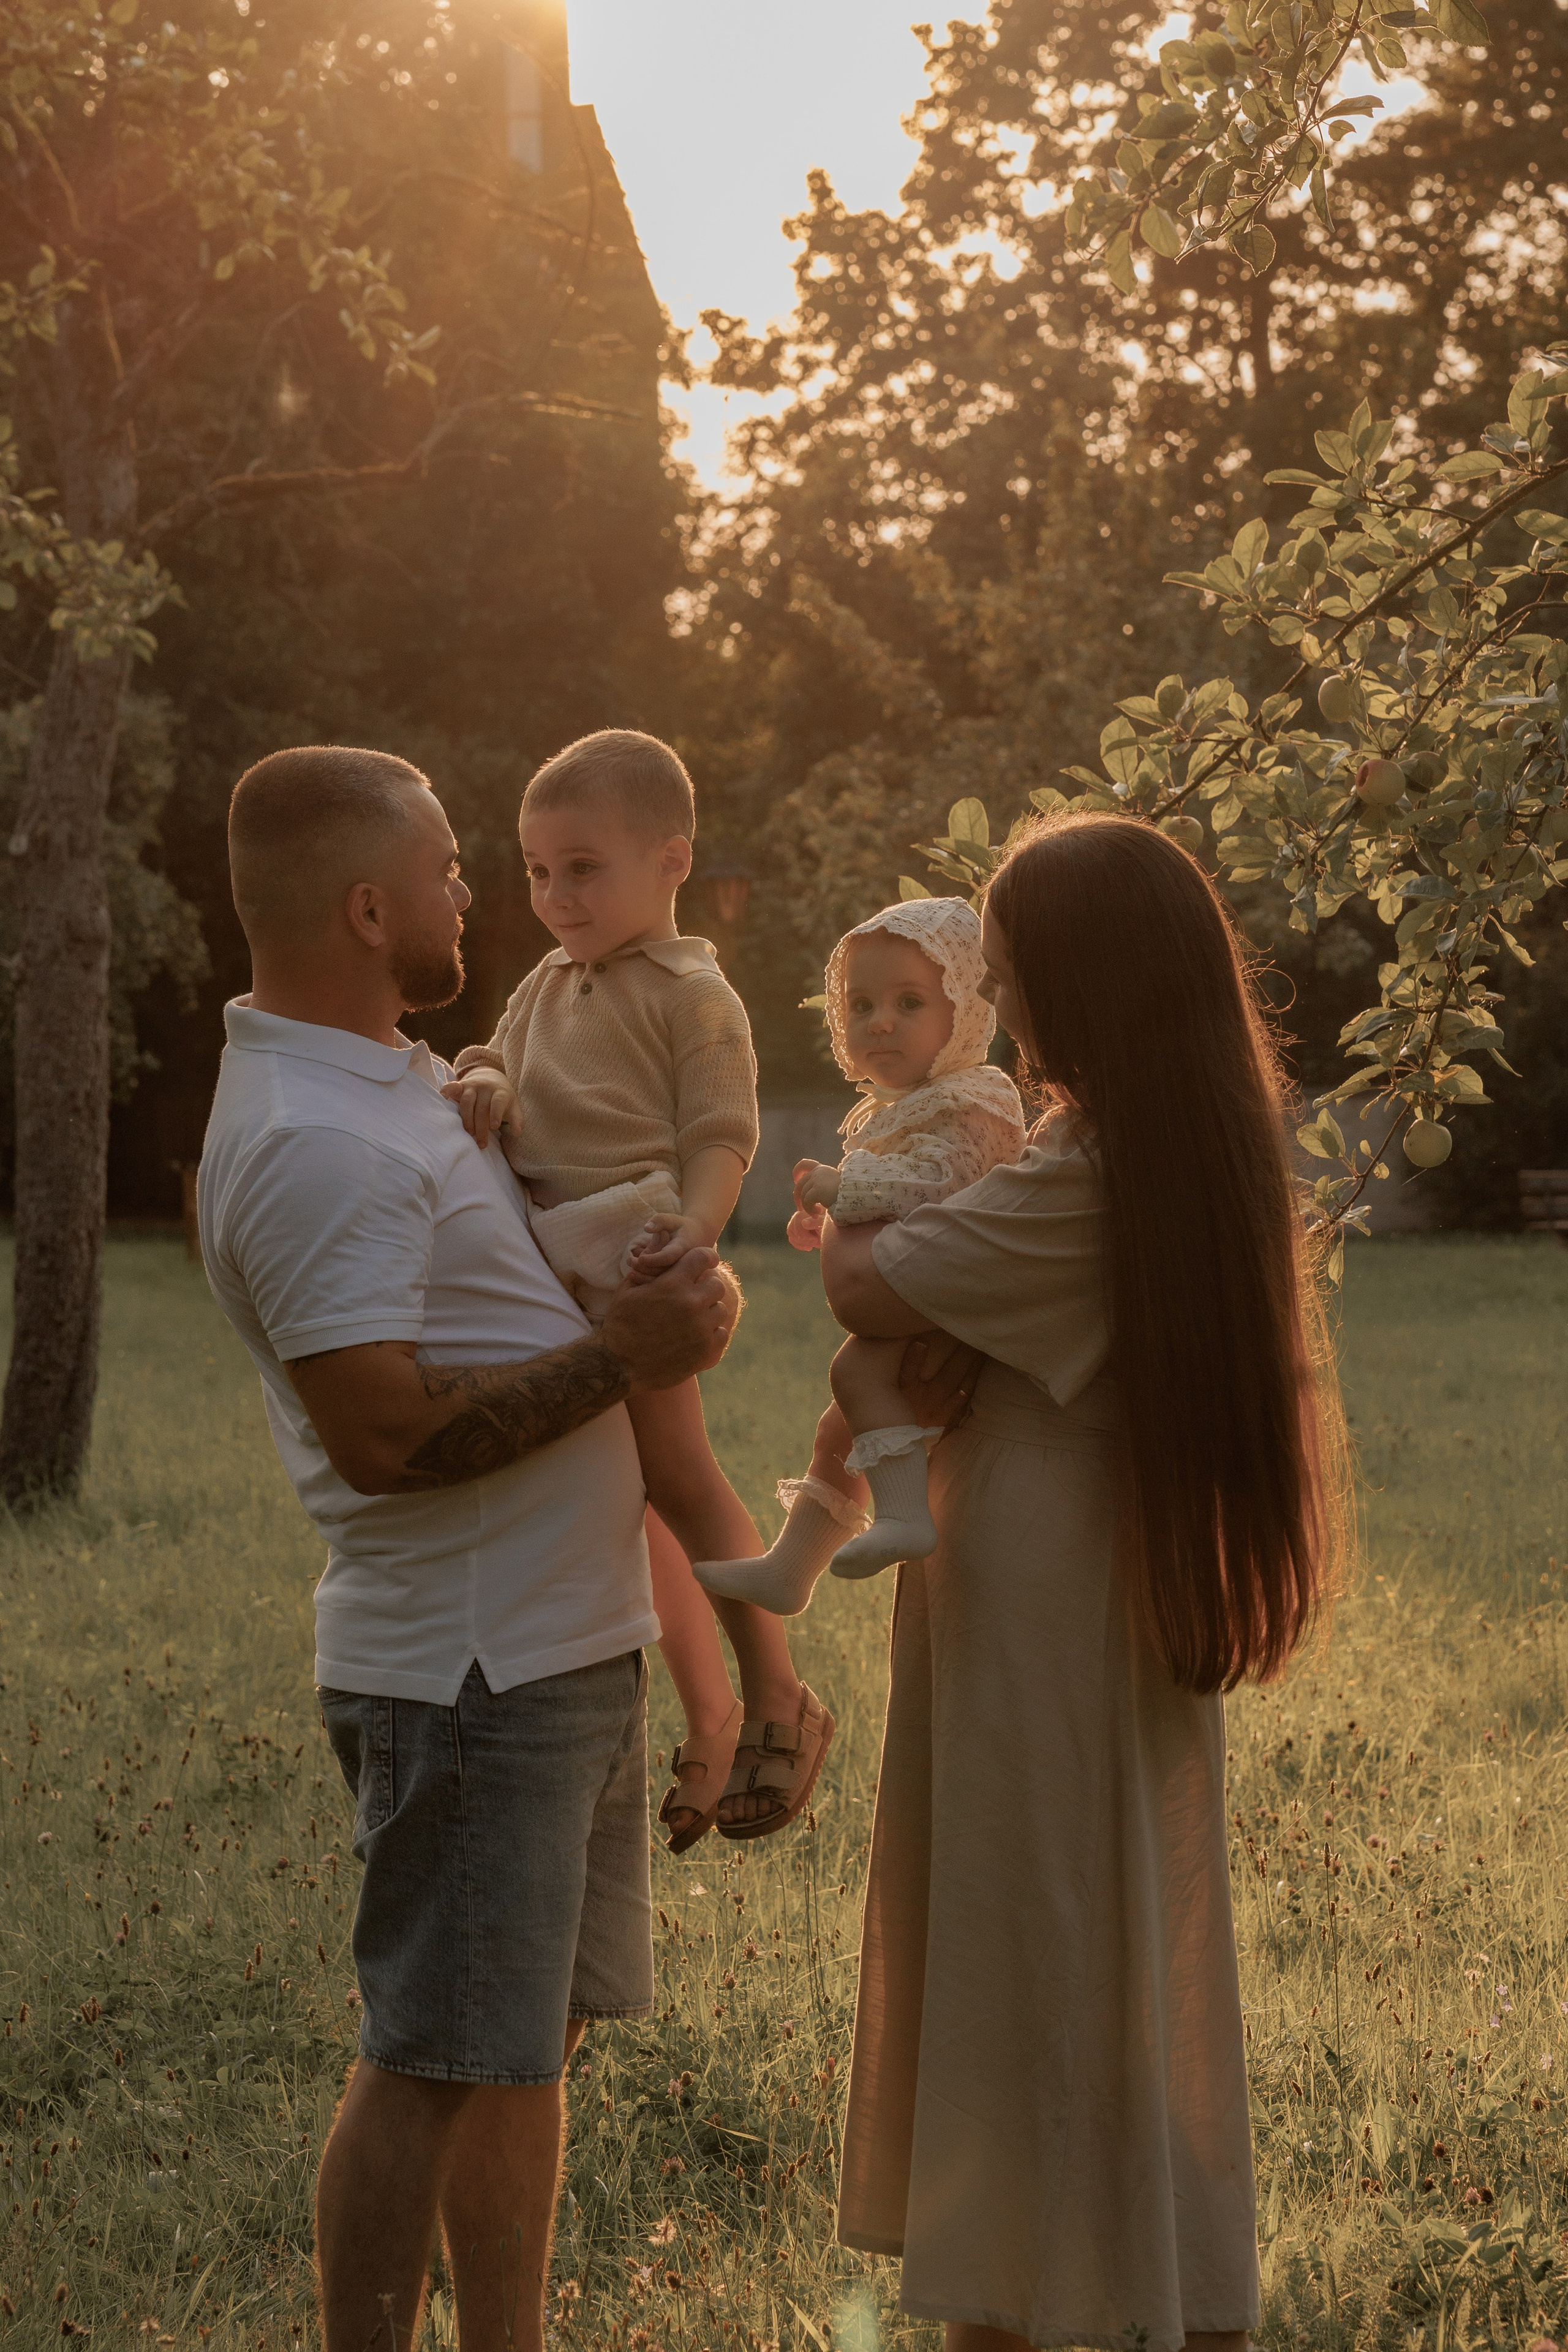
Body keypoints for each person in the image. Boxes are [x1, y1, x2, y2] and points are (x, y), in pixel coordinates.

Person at [198, 744, 741, 2352]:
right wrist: (624, 1356)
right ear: (369, 911)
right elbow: (384, 1437)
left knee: (524, 2045)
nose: (469, 892)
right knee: (430, 2058)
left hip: (557, 1644)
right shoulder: (313, 1138)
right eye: (444, 868)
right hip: (467, 1672)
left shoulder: (392, 1081)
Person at [820, 812, 1349, 2352]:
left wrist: (880, 1239)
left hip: (1037, 1584)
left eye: (1010, 971)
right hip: (1093, 1563)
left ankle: (1030, 2296)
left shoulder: (1079, 1171)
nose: (997, 1003)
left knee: (1032, 1929)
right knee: (1113, 1932)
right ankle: (1125, 2286)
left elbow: (862, 1279)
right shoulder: (1174, 1146)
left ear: (1078, 985)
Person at [442, 729, 831, 1847]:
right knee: (623, 1497)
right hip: (543, 1260)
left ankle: (776, 1691)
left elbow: (721, 1134)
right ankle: (710, 1716)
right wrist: (481, 1077)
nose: (555, 896)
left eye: (583, 868)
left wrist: (693, 1233)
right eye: (538, 871)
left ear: (671, 862)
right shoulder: (545, 984)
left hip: (631, 1254)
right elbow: (498, 1060)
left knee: (677, 1476)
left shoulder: (694, 994)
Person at [696, 895, 1023, 1613]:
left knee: (855, 1373)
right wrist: (830, 1217)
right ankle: (790, 1571)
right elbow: (894, 1198)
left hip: (957, 1297)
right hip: (919, 1283)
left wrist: (848, 1188)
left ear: (968, 1008)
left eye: (909, 1003)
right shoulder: (908, 1106)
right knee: (837, 1428)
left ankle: (903, 1515)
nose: (879, 1022)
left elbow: (939, 1180)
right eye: (862, 1004)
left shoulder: (975, 1097)